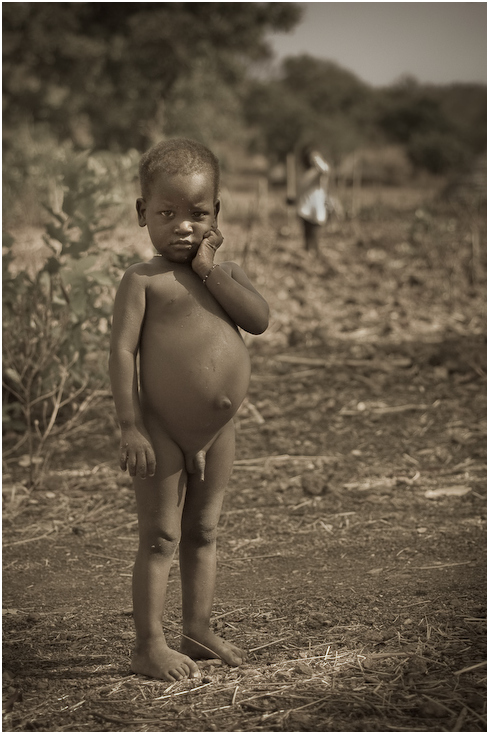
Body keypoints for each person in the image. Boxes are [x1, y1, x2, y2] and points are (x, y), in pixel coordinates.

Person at [109, 138, 269, 682]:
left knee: (204, 531)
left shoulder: (225, 276)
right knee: (160, 536)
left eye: (197, 214)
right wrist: (130, 425)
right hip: (161, 430)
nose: (182, 226)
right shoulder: (143, 280)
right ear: (142, 214)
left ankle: (196, 628)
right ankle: (148, 645)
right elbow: (122, 352)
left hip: (218, 431)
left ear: (216, 215)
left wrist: (210, 270)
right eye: (166, 213)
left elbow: (259, 320)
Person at [288, 146, 331, 251]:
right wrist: (293, 200)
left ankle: (313, 256)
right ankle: (310, 257)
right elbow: (303, 193)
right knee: (308, 237)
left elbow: (325, 169)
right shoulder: (305, 175)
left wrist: (315, 157)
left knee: (313, 236)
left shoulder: (317, 174)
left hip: (314, 210)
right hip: (306, 210)